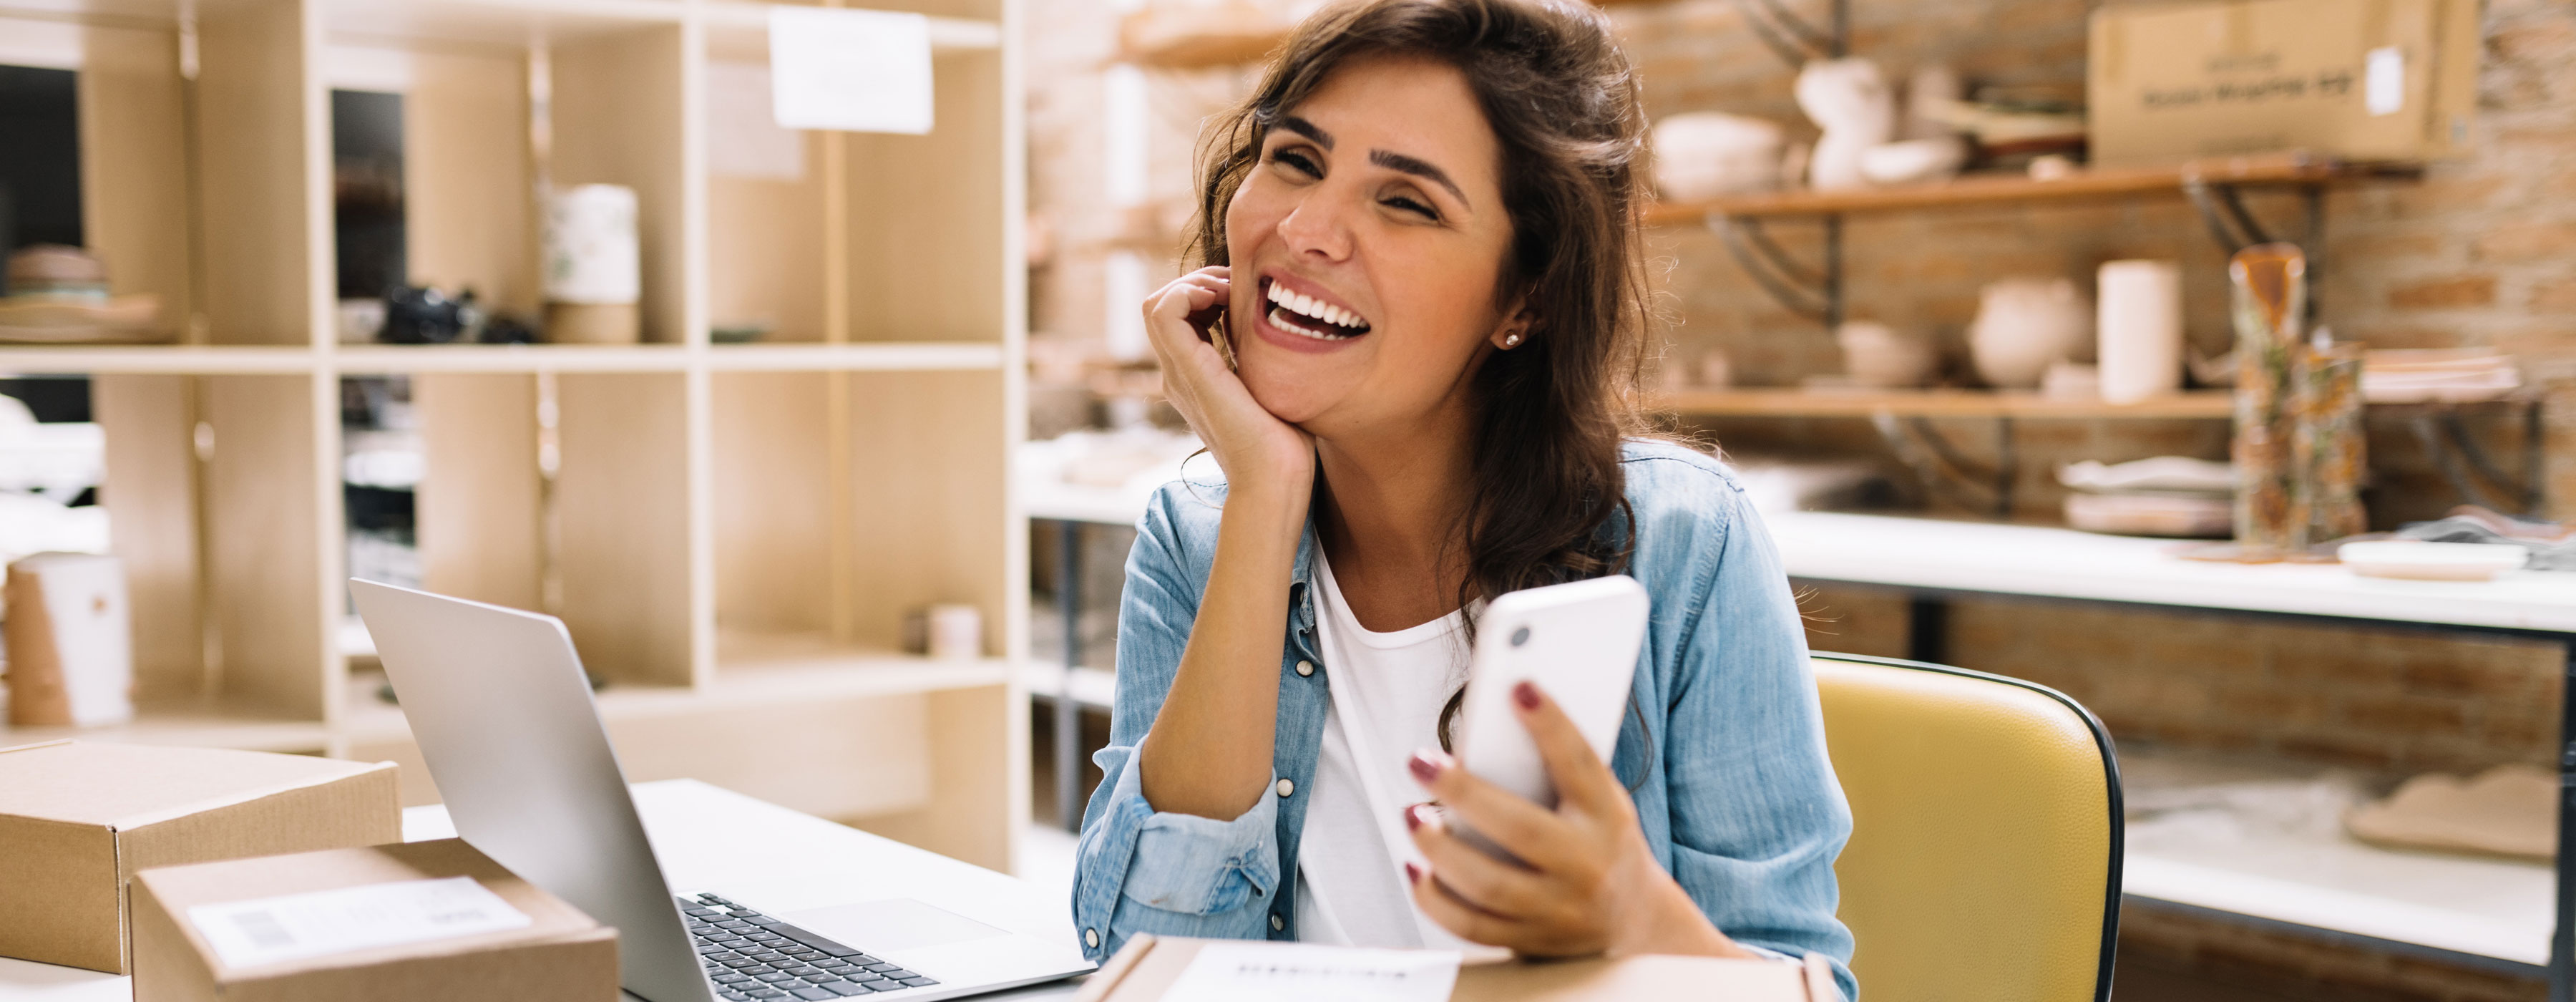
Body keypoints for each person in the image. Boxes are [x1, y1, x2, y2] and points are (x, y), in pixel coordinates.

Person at [1070, 0, 1855, 995]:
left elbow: (1800, 985)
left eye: (1407, 203)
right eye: (1297, 161)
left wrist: (1634, 914)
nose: (1306, 232)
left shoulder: (1683, 543)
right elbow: (1145, 961)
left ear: (1524, 299)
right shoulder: (1194, 536)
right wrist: (1264, 498)